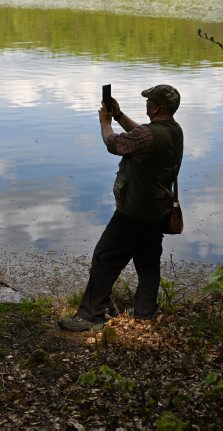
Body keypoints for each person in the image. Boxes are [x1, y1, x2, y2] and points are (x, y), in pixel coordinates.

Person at [59, 84, 184, 332]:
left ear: (156, 107)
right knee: (148, 263)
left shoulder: (148, 135)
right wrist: (118, 115)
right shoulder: (173, 130)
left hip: (134, 212)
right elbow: (142, 135)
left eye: (149, 101)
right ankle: (145, 313)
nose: (146, 103)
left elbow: (114, 144)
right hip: (158, 211)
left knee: (105, 258)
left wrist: (106, 122)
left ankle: (90, 315)